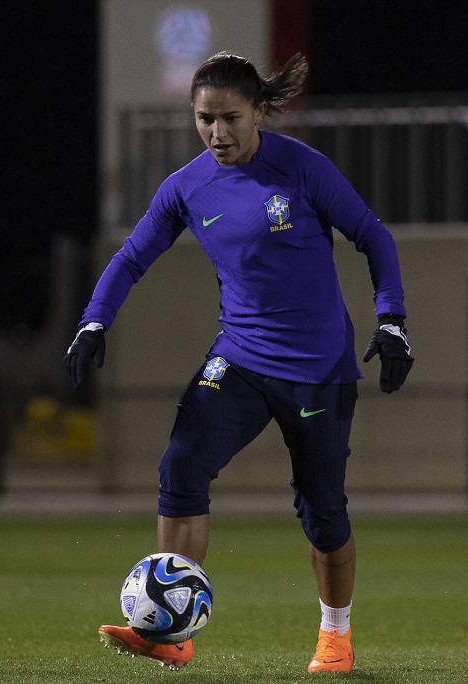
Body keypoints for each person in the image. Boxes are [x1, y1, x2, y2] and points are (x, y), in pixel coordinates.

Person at [65, 52, 413, 673]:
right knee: (182, 464)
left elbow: (374, 236)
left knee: (322, 508)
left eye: (229, 118)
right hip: (240, 357)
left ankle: (335, 633)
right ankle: (170, 630)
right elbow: (130, 257)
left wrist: (392, 320)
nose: (217, 133)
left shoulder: (302, 168)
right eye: (204, 119)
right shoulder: (187, 187)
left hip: (317, 368)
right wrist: (95, 319)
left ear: (258, 112)